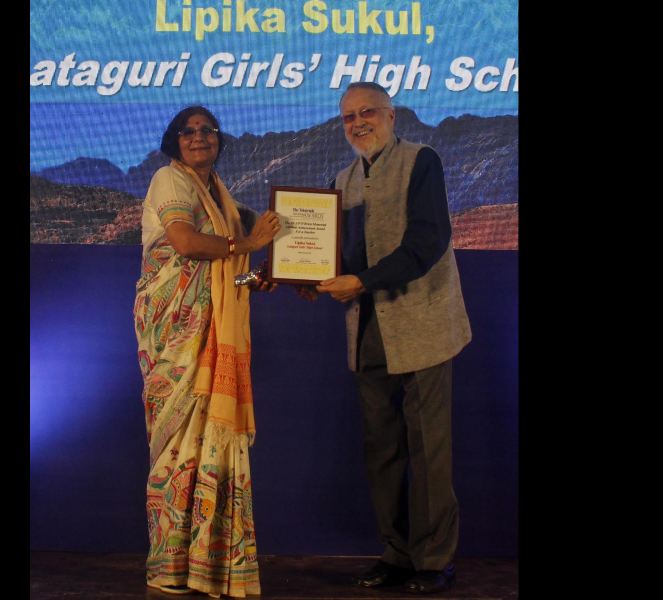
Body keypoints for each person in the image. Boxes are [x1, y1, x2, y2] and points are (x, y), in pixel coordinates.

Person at [315, 82, 472, 594]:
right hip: (368, 331)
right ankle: (396, 553)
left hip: (423, 325)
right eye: (348, 117)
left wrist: (359, 281)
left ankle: (433, 560)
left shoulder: (421, 161)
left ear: (391, 115)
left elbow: (428, 241)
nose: (358, 123)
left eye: (367, 113)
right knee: (382, 448)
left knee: (429, 448)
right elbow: (336, 256)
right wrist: (303, 274)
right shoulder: (341, 179)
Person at [134, 106, 280, 598]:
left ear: (219, 140)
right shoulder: (167, 181)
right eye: (188, 131)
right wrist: (248, 244)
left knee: (205, 441)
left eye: (207, 131)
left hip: (211, 330)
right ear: (174, 140)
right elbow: (186, 243)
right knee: (177, 444)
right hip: (175, 331)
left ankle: (207, 562)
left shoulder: (221, 194)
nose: (198, 138)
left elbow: (227, 275)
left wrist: (257, 277)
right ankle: (169, 564)